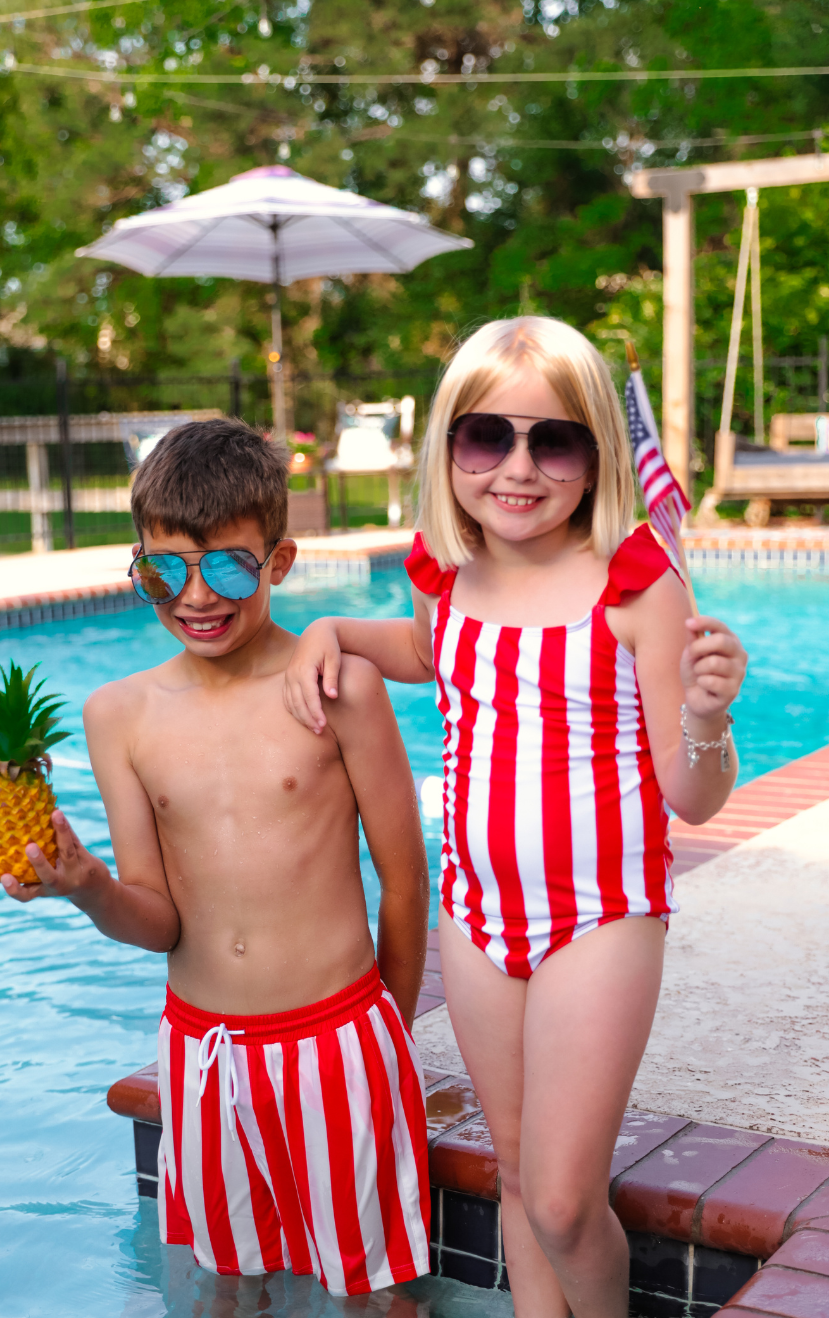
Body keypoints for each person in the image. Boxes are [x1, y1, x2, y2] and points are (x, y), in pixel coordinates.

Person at [283, 317, 747, 1318]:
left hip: (599, 917)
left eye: (555, 440)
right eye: (487, 436)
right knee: (521, 1178)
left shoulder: (635, 585)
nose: (518, 467)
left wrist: (706, 715)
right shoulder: (445, 576)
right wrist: (327, 625)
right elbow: (423, 653)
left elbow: (694, 796)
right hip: (478, 916)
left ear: (596, 454)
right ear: (449, 444)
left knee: (567, 1199)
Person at [0, 418, 432, 1298]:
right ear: (139, 564)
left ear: (279, 560)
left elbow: (405, 874)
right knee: (223, 1294)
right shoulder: (119, 715)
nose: (196, 596)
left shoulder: (337, 686)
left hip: (341, 1038)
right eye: (164, 571)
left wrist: (392, 1037)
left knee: (377, 1291)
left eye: (229, 566)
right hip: (203, 1055)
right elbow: (158, 918)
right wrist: (87, 888)